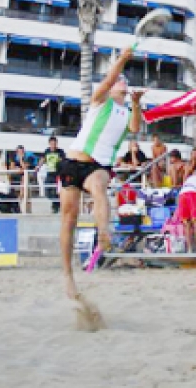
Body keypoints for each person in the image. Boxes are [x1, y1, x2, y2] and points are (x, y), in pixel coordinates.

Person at [57, 47, 143, 300]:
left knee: (98, 188)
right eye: (119, 80)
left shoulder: (126, 111)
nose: (121, 82)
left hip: (99, 165)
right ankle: (67, 275)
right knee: (69, 219)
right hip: (74, 161)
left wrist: (136, 103)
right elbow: (107, 80)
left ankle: (104, 233)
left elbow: (135, 128)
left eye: (124, 81)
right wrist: (122, 60)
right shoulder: (100, 100)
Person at [39, 136, 64, 214]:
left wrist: (59, 161)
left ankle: (55, 207)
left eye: (54, 143)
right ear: (49, 144)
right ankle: (57, 204)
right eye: (52, 143)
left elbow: (63, 160)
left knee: (56, 191)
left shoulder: (60, 151)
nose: (53, 145)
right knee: (47, 191)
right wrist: (38, 166)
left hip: (57, 175)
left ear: (56, 143)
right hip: (49, 174)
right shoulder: (47, 151)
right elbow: (43, 159)